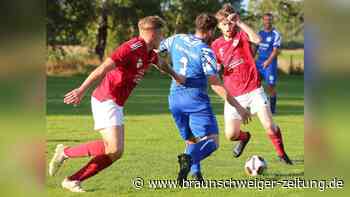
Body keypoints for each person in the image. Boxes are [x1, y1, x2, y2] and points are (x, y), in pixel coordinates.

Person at [48, 16, 184, 192]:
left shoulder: (149, 52)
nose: (163, 37)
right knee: (113, 148)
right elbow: (102, 68)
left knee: (115, 152)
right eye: (161, 34)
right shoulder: (130, 48)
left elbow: (161, 64)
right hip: (106, 98)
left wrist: (176, 76)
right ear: (152, 34)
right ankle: (65, 153)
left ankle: (73, 180)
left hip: (116, 102)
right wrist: (81, 90)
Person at [158, 13, 251, 184]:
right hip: (195, 99)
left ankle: (196, 175)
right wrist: (239, 107)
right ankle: (189, 158)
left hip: (174, 98)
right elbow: (215, 83)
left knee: (191, 139)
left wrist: (166, 68)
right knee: (212, 142)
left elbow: (156, 50)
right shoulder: (205, 50)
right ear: (210, 31)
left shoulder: (177, 38)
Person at [211, 4, 292, 164]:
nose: (228, 27)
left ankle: (282, 154)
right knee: (231, 135)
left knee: (269, 125)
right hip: (234, 95)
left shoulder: (241, 36)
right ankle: (245, 137)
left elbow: (257, 39)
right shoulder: (216, 45)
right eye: (224, 24)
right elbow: (216, 68)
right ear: (219, 26)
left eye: (230, 23)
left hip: (254, 89)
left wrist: (239, 22)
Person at [256, 13, 282, 114]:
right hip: (259, 63)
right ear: (263, 20)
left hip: (270, 64)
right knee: (255, 84)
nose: (267, 22)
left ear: (272, 21)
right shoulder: (260, 33)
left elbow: (275, 51)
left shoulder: (276, 34)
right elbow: (256, 47)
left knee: (270, 87)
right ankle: (259, 106)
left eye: (269, 20)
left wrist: (268, 62)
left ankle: (272, 109)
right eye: (265, 19)